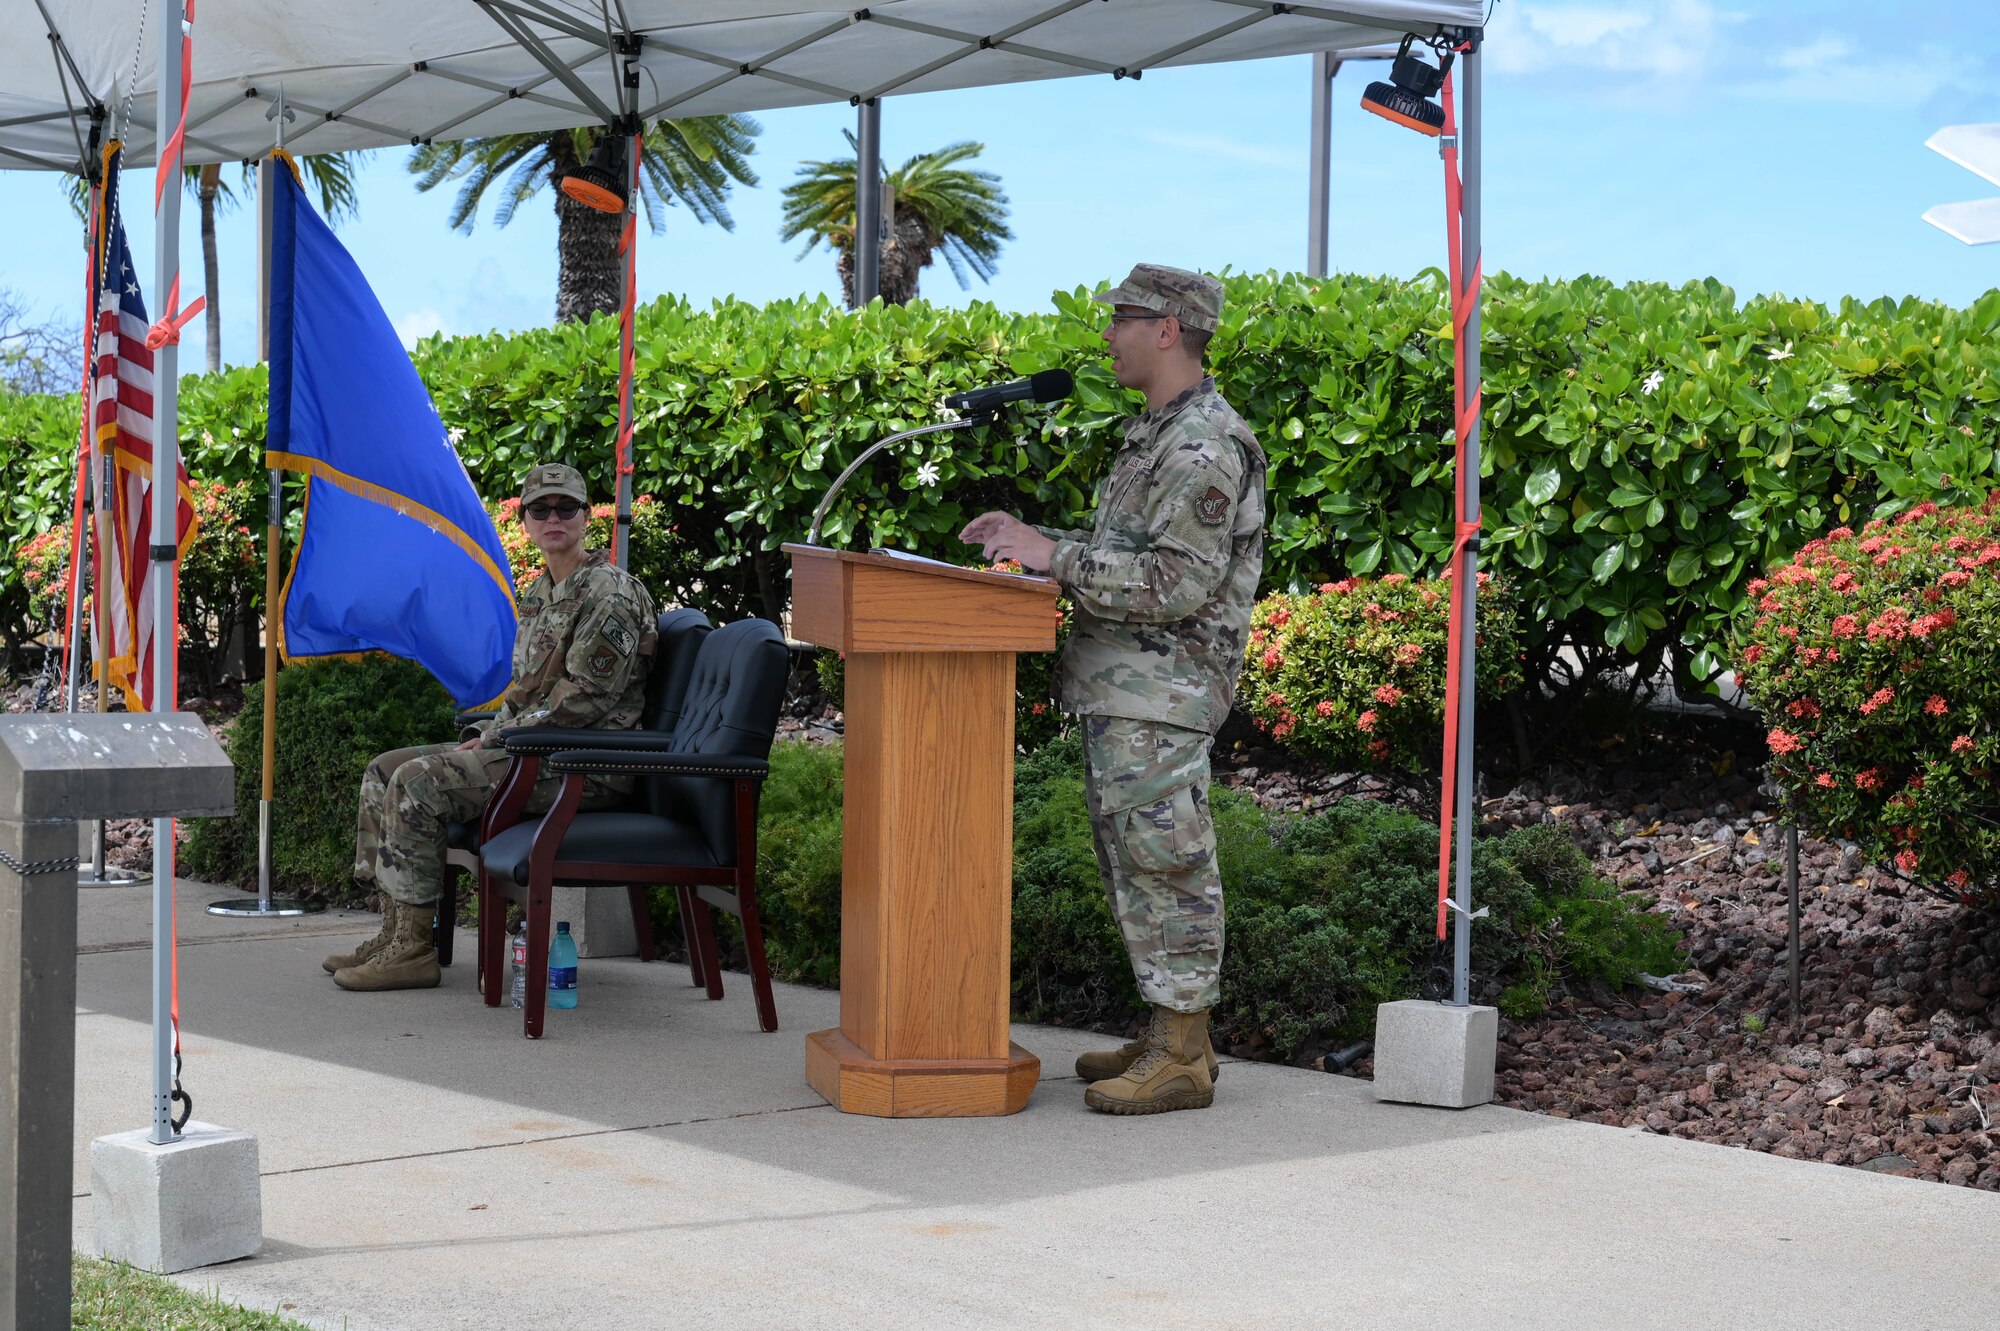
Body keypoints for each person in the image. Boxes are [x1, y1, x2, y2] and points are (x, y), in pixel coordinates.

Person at [960, 263, 1266, 1115]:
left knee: (1168, 862)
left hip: (1162, 694)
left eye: (1123, 319)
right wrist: (1036, 541)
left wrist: (1049, 554)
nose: (1108, 335)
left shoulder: (1203, 445)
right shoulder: (1159, 433)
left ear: (1168, 329)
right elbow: (1127, 553)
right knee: (1136, 862)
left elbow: (1175, 583)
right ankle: (1175, 1035)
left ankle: (1182, 1050)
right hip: (1129, 692)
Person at [324, 463, 660, 991]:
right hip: (535, 747)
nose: (554, 518)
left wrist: (499, 737)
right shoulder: (542, 592)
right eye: (540, 509)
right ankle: (395, 932)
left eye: (565, 508)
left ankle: (414, 951)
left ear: (586, 517)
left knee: (418, 781)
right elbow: (525, 693)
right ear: (525, 520)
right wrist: (495, 730)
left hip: (584, 763)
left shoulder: (609, 592)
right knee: (383, 770)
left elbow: (585, 702)